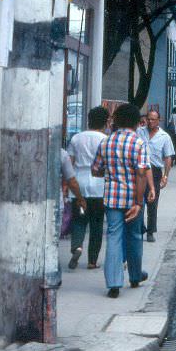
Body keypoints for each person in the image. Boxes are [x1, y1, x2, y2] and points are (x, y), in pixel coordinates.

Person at [92, 103, 154, 298]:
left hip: (111, 198)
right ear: (137, 122)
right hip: (133, 197)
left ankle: (114, 283)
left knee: (114, 237)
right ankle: (135, 276)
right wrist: (137, 203)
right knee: (134, 237)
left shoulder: (106, 142)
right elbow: (142, 173)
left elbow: (95, 169)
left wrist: (111, 172)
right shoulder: (139, 143)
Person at [67, 106, 109, 269]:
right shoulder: (105, 139)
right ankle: (92, 261)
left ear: (88, 120)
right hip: (99, 186)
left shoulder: (77, 138)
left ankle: (77, 246)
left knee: (79, 220)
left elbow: (70, 163)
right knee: (97, 224)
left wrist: (66, 185)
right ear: (105, 122)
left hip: (79, 185)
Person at [138, 110, 174, 243]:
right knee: (138, 200)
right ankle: (140, 227)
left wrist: (165, 176)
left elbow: (168, 157)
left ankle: (150, 231)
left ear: (159, 120)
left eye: (153, 119)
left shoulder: (164, 136)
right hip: (140, 170)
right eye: (149, 119)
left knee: (152, 202)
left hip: (155, 171)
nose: (150, 122)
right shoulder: (139, 132)